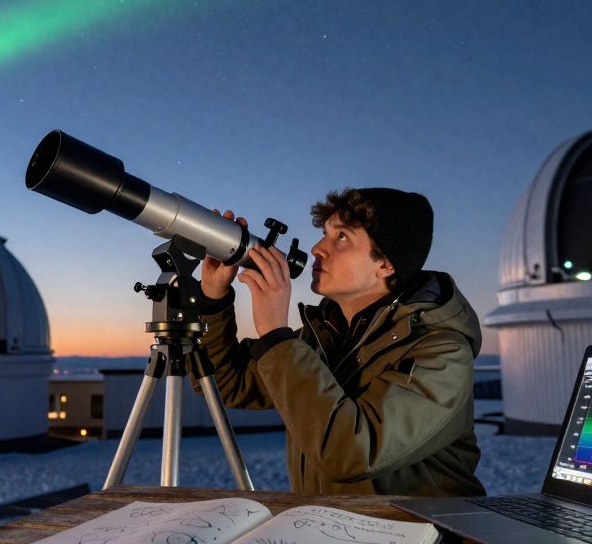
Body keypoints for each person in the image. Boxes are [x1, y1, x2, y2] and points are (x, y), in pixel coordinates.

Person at [196, 187, 485, 496]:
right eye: (324, 233)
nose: (319, 248)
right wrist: (214, 300)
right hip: (331, 535)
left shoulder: (442, 352)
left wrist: (275, 334)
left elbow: (350, 453)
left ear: (386, 263)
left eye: (342, 237)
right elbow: (227, 384)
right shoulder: (324, 336)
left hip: (418, 537)